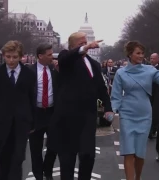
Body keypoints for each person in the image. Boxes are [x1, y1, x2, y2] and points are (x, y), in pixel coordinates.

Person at [48, 32, 114, 180]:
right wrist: (82, 49)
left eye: (86, 42)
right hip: (67, 117)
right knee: (68, 159)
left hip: (88, 117)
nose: (85, 46)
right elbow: (65, 58)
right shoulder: (66, 59)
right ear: (72, 46)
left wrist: (108, 108)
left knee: (88, 156)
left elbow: (101, 89)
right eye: (80, 44)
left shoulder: (94, 64)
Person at [111, 41, 159, 180]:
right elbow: (115, 95)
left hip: (144, 114)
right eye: (138, 53)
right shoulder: (121, 73)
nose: (141, 56)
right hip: (127, 113)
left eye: (142, 53)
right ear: (130, 54)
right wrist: (112, 110)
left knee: (139, 153)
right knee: (128, 151)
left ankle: (138, 177)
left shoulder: (150, 70)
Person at [0, 40, 36, 180]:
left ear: (21, 56)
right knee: (3, 160)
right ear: (3, 55)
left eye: (15, 57)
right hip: (0, 123)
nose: (11, 60)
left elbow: (31, 99)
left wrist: (33, 122)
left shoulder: (29, 74)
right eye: (8, 56)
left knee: (17, 160)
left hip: (21, 123)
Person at [28, 44, 58, 180]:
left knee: (54, 145)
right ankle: (38, 175)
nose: (52, 57)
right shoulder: (29, 71)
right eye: (49, 54)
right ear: (40, 56)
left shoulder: (55, 70)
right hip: (36, 114)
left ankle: (48, 170)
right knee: (35, 148)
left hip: (52, 113)